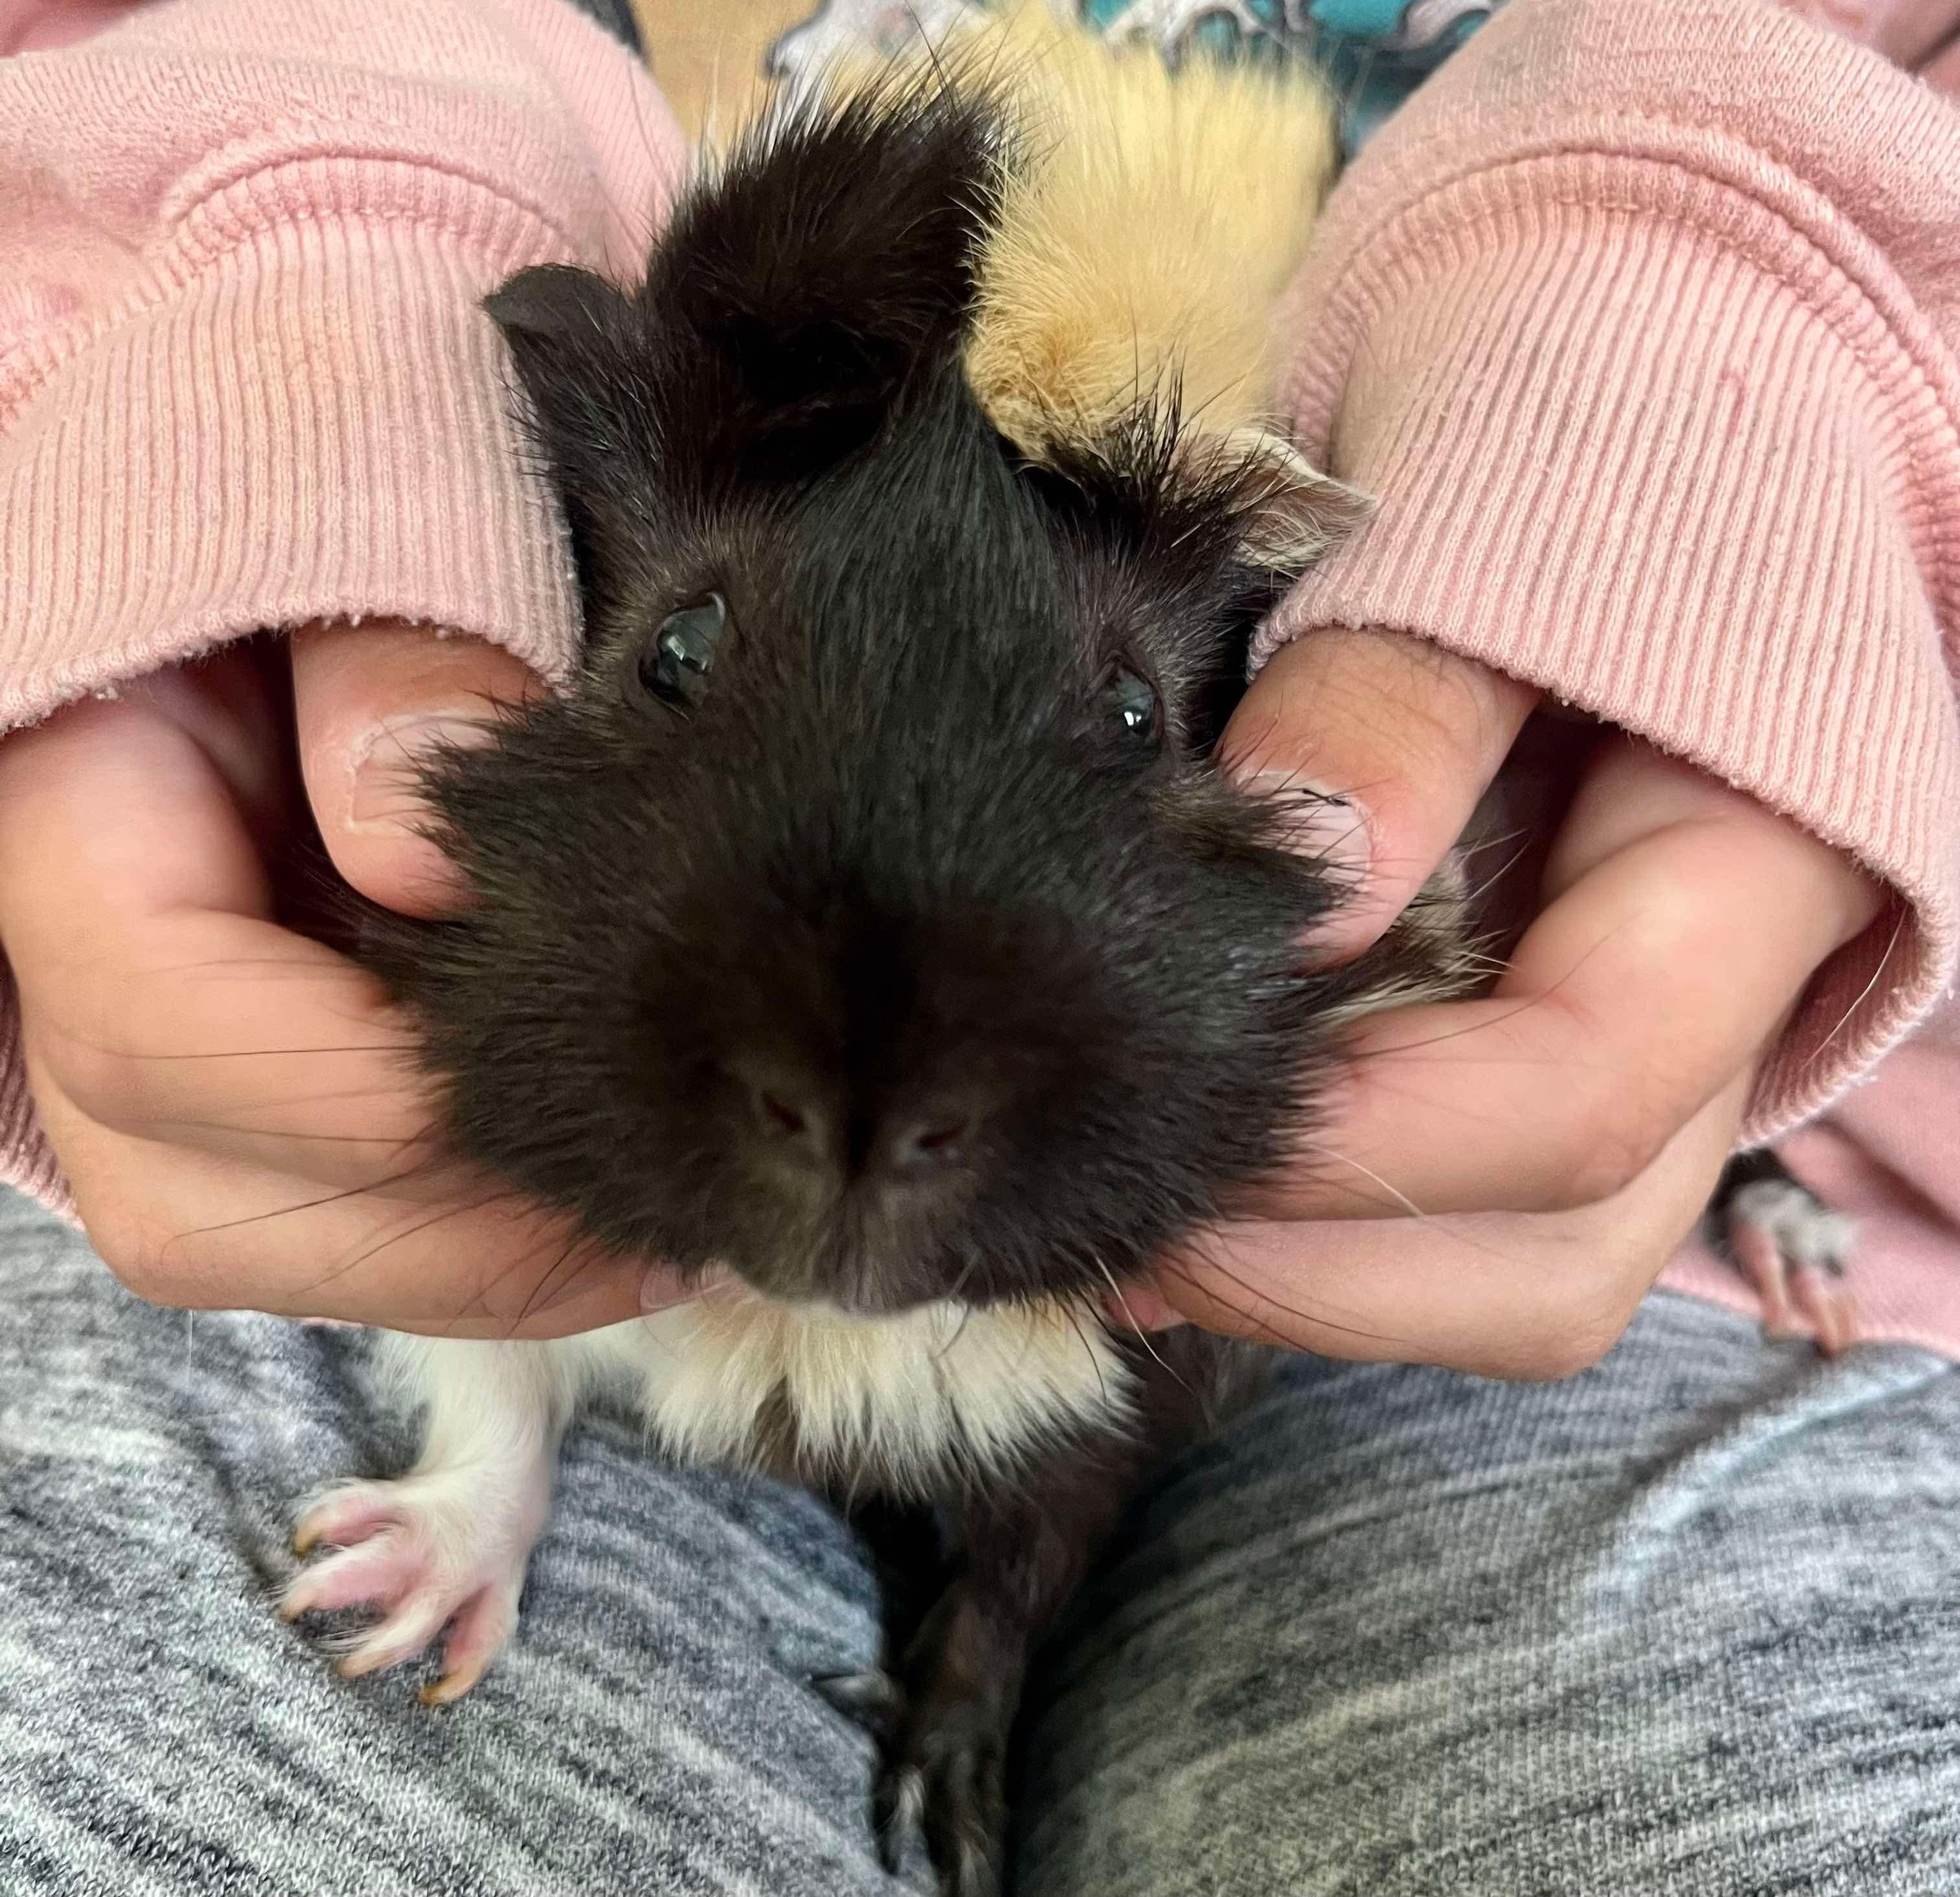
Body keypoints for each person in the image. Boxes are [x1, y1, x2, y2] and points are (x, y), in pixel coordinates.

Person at [0, 0, 1955, 1889]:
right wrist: (258, 199)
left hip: (1533, 1251)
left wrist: (1795, 309)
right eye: (683, 662)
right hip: (270, 1175)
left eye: (1131, 728)